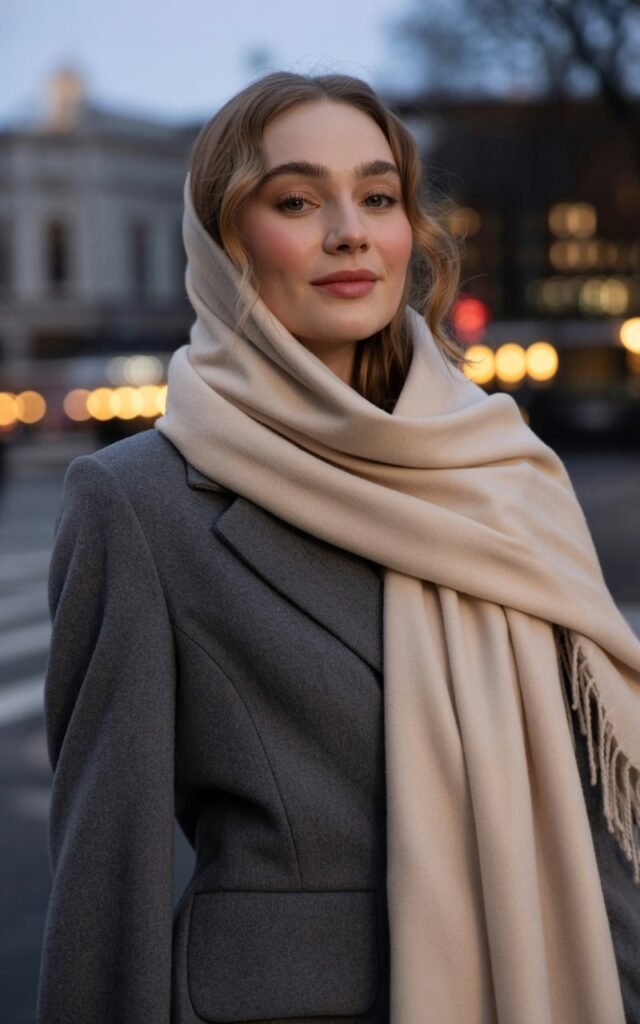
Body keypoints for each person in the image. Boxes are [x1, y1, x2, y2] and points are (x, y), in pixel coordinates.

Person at [37, 71, 640, 1024]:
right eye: (296, 200)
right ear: (224, 241)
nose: (350, 231)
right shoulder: (136, 502)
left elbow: (598, 815)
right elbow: (106, 884)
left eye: (378, 196)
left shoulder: (510, 473)